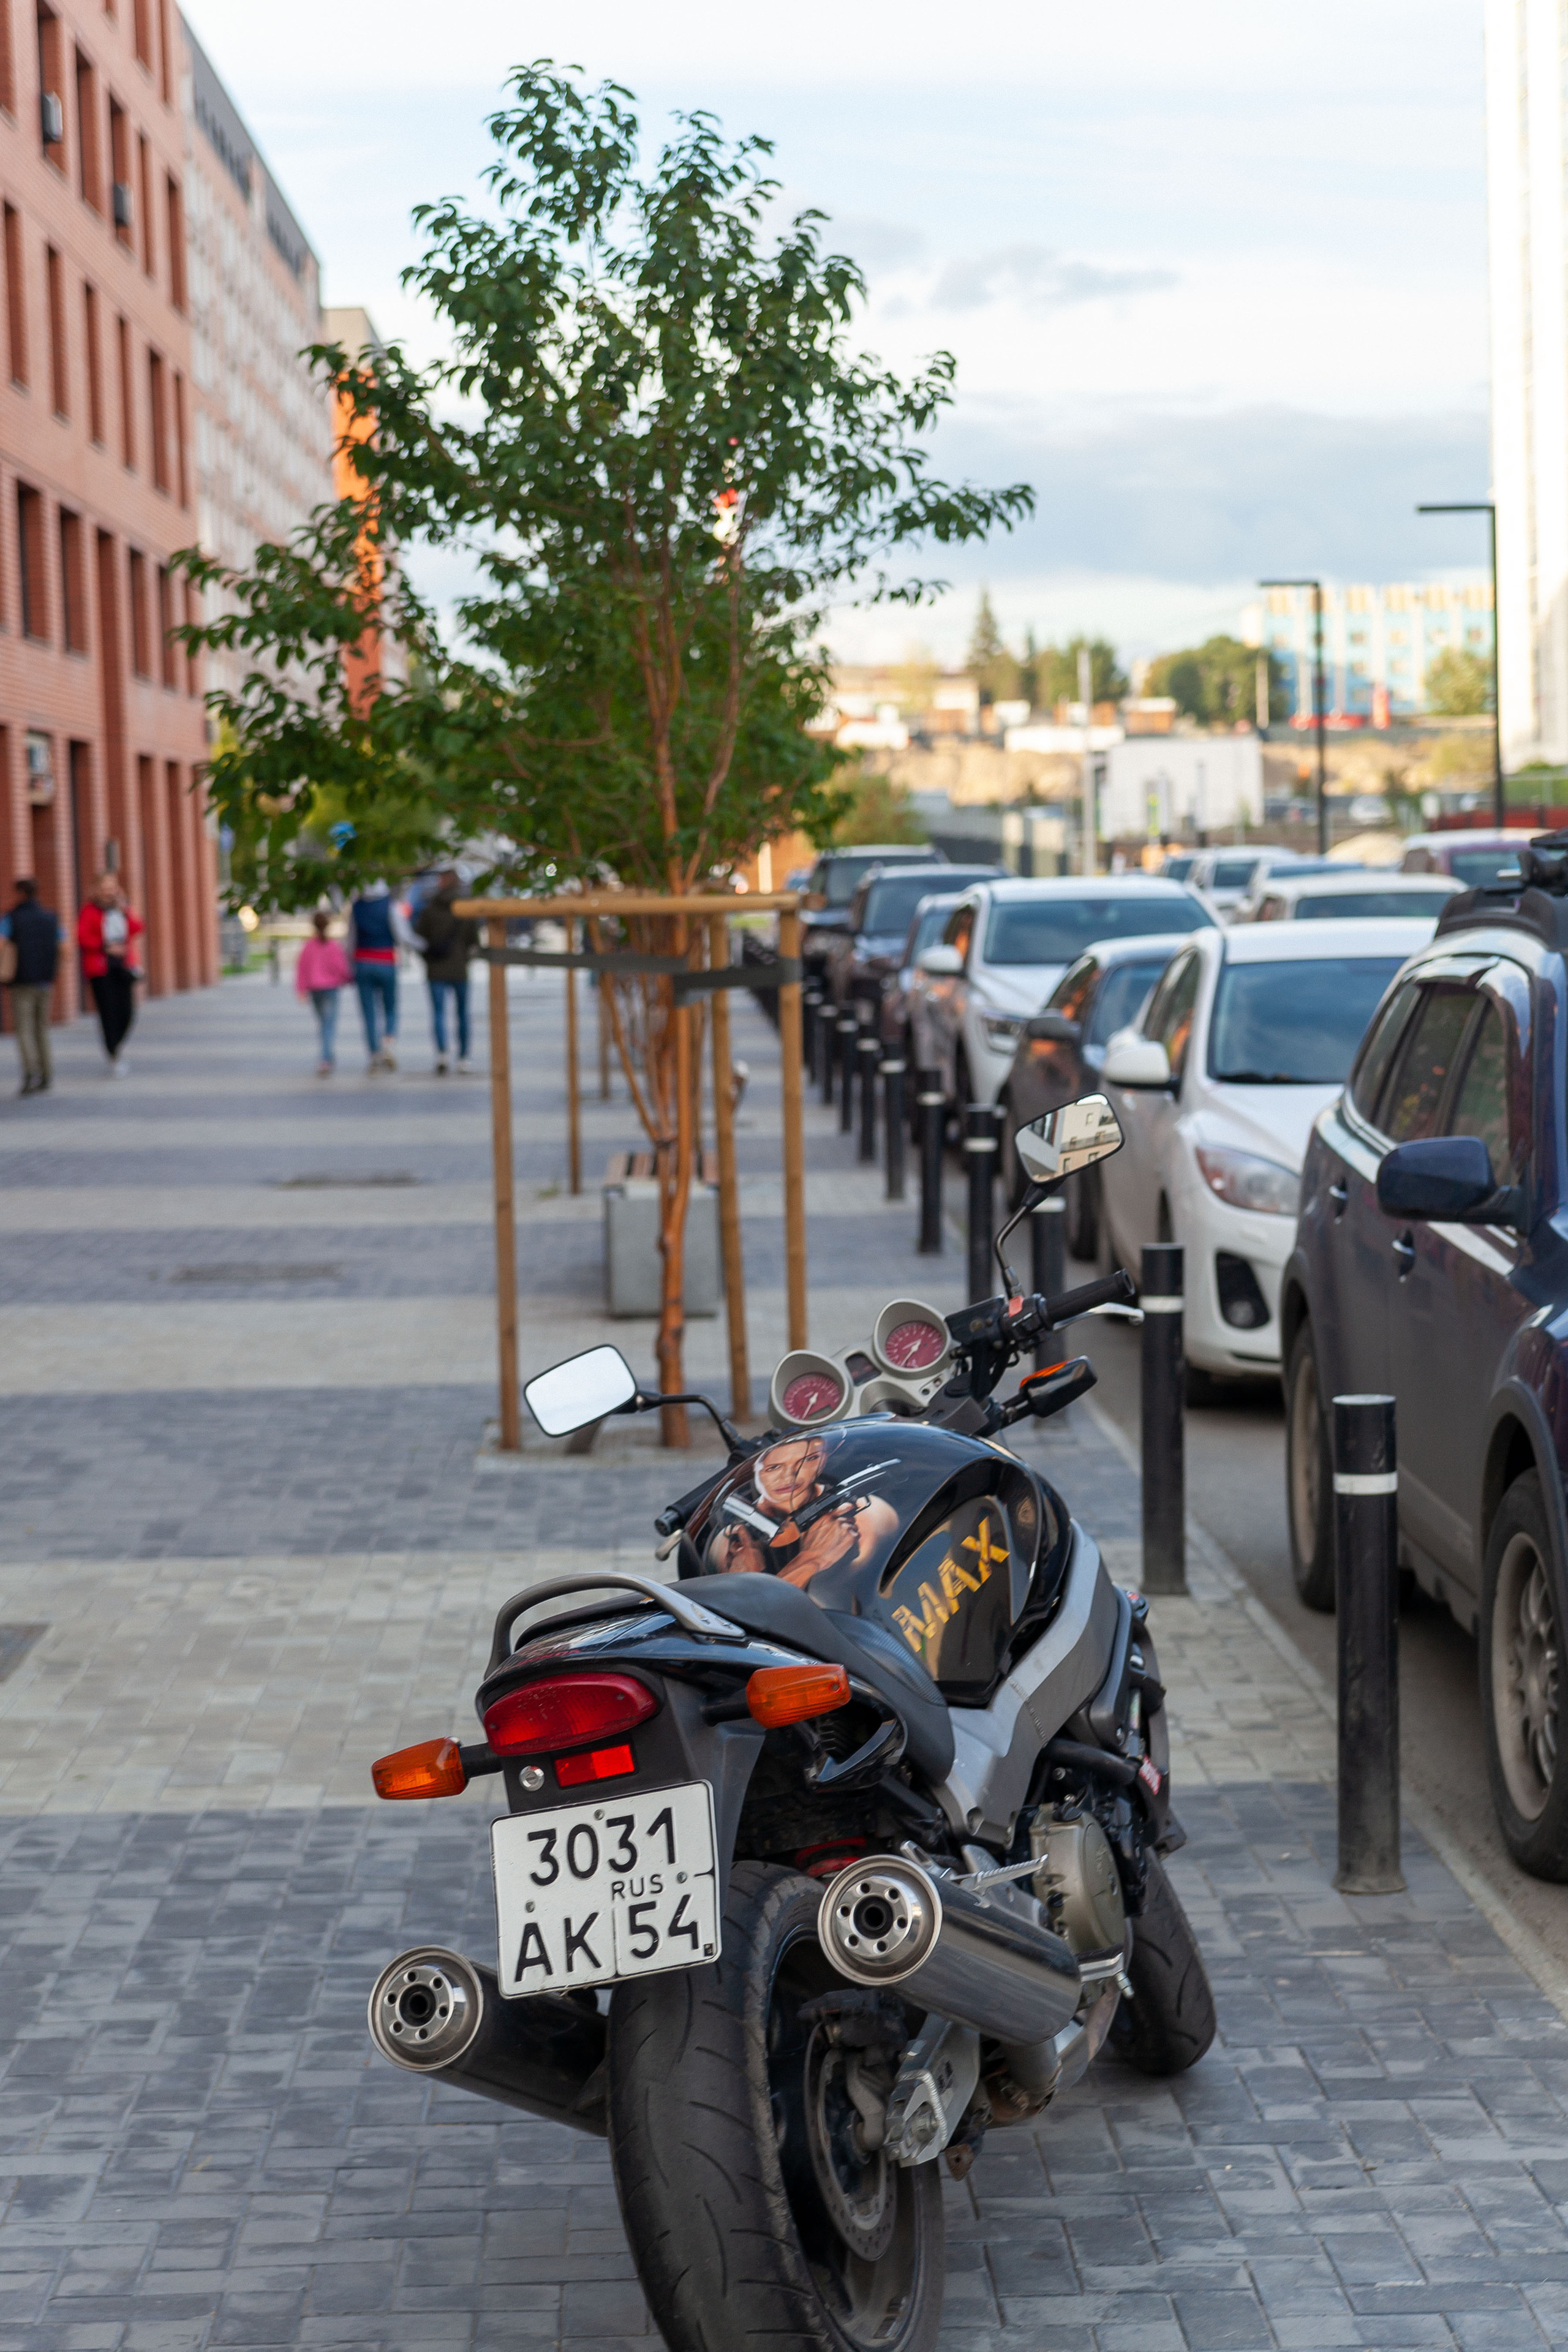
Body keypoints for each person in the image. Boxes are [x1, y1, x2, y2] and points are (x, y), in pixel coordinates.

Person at [0, 877, 64, 1096]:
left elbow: (1, 943)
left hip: (21, 981)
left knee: (24, 1029)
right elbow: (64, 947)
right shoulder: (51, 917)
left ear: (20, 893)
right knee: (41, 1028)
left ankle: (31, 1073)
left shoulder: (11, 918)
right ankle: (47, 1073)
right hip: (45, 980)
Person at [413, 870, 480, 1073]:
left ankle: (442, 1054)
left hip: (436, 969)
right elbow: (474, 942)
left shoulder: (430, 909)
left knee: (439, 1013)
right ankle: (464, 1057)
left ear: (441, 883)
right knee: (463, 1014)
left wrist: (429, 960)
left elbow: (419, 940)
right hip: (459, 969)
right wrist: (464, 960)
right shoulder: (466, 909)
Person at [77, 873, 144, 1075]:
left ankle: (116, 1045)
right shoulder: (89, 910)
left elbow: (137, 928)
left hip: (123, 967)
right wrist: (105, 947)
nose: (109, 891)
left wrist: (127, 909)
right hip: (101, 969)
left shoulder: (121, 908)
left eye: (112, 886)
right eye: (105, 887)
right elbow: (82, 937)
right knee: (108, 1012)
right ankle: (113, 1052)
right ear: (97, 889)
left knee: (127, 1011)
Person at [344, 880, 410, 1071]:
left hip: (363, 962)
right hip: (386, 960)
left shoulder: (357, 906)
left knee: (368, 1012)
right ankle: (388, 1042)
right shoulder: (390, 905)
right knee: (390, 1007)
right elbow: (402, 935)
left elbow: (350, 939)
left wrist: (348, 963)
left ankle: (374, 1053)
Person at [294, 908, 352, 1076]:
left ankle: (327, 1056)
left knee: (323, 1023)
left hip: (315, 990)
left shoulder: (308, 946)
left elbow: (302, 969)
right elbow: (341, 967)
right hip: (330, 989)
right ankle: (326, 1059)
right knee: (329, 1023)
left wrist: (301, 989)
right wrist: (348, 979)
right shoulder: (333, 946)